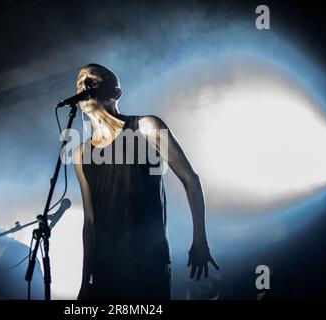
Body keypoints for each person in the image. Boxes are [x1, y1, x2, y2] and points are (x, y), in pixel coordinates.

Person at [73, 63, 218, 300]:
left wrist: (200, 240)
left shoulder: (146, 127)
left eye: (93, 80)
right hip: (105, 271)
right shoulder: (80, 154)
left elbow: (190, 180)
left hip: (148, 265)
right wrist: (84, 278)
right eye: (80, 82)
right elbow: (89, 221)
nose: (84, 85)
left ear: (116, 93)